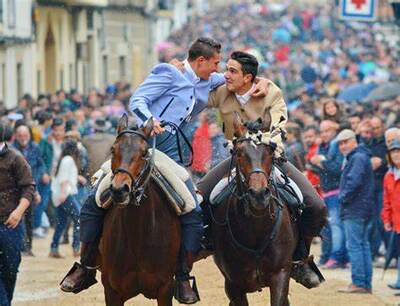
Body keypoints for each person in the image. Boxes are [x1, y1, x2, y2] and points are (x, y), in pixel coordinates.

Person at [60, 37, 271, 304]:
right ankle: (87, 266)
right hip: (142, 142)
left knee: (192, 207)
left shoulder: (210, 80)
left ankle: (182, 276)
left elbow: (240, 80)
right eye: (216, 63)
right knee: (96, 195)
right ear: (201, 61)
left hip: (171, 151)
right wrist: (151, 119)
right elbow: (138, 99)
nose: (219, 69)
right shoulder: (168, 71)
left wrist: (262, 82)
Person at [198, 51, 327, 289]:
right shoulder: (220, 91)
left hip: (271, 158)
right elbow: (195, 87)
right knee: (196, 199)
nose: (226, 74)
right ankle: (205, 247)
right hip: (236, 159)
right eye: (226, 69)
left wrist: (262, 143)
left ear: (247, 77)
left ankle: (300, 258)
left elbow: (279, 126)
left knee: (317, 206)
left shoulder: (273, 93)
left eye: (232, 71)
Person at [0, 122, 35, 306]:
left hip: (10, 224)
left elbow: (28, 187)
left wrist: (18, 212)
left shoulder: (15, 158)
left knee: (10, 268)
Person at [336, 129, 374, 294]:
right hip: (363, 208)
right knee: (362, 245)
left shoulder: (357, 157)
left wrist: (342, 198)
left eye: (346, 142)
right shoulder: (360, 156)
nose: (343, 146)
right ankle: (364, 283)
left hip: (355, 208)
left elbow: (353, 181)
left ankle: (359, 282)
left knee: (355, 246)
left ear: (354, 141)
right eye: (340, 143)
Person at [310, 120, 346, 268]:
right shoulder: (322, 147)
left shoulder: (338, 146)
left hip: (337, 190)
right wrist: (314, 163)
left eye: (327, 131)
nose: (324, 134)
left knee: (336, 226)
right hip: (326, 191)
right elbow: (323, 170)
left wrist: (322, 162)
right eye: (322, 131)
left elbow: (338, 168)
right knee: (328, 226)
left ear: (334, 131)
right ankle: (328, 256)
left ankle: (337, 257)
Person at [13, 125, 46, 255]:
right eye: (20, 135)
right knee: (17, 218)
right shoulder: (12, 149)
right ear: (16, 136)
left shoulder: (35, 147)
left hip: (31, 187)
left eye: (25, 135)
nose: (23, 138)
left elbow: (40, 165)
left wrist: (43, 174)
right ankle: (18, 246)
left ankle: (29, 247)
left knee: (29, 219)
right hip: (15, 189)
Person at [49, 140, 81, 258]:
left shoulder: (65, 159)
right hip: (65, 194)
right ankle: (76, 247)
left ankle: (54, 248)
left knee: (61, 223)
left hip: (62, 194)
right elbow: (63, 178)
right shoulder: (68, 160)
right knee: (78, 218)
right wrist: (63, 193)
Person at [381, 139, 400, 291]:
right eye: (393, 152)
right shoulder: (388, 175)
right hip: (396, 221)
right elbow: (387, 200)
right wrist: (387, 219)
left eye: (398, 151)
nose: (396, 154)